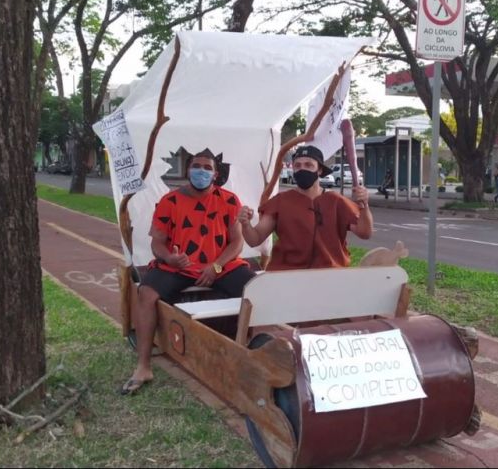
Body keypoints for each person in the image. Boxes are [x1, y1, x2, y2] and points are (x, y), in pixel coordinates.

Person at [121, 149, 257, 395]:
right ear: (187, 171)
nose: (201, 171)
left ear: (216, 174)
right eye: (197, 166)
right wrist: (170, 258)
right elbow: (157, 243)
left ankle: (249, 350)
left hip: (220, 266)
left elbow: (236, 243)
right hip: (179, 267)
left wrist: (216, 266)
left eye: (207, 168)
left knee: (255, 291)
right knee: (146, 294)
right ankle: (143, 365)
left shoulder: (229, 200)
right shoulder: (169, 201)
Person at [238, 145, 373, 271]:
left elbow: (365, 233)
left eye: (308, 165)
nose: (302, 169)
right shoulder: (280, 201)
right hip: (287, 273)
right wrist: (245, 224)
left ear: (319, 170)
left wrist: (364, 206)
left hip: (330, 273)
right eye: (297, 165)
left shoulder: (337, 201)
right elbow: (254, 239)